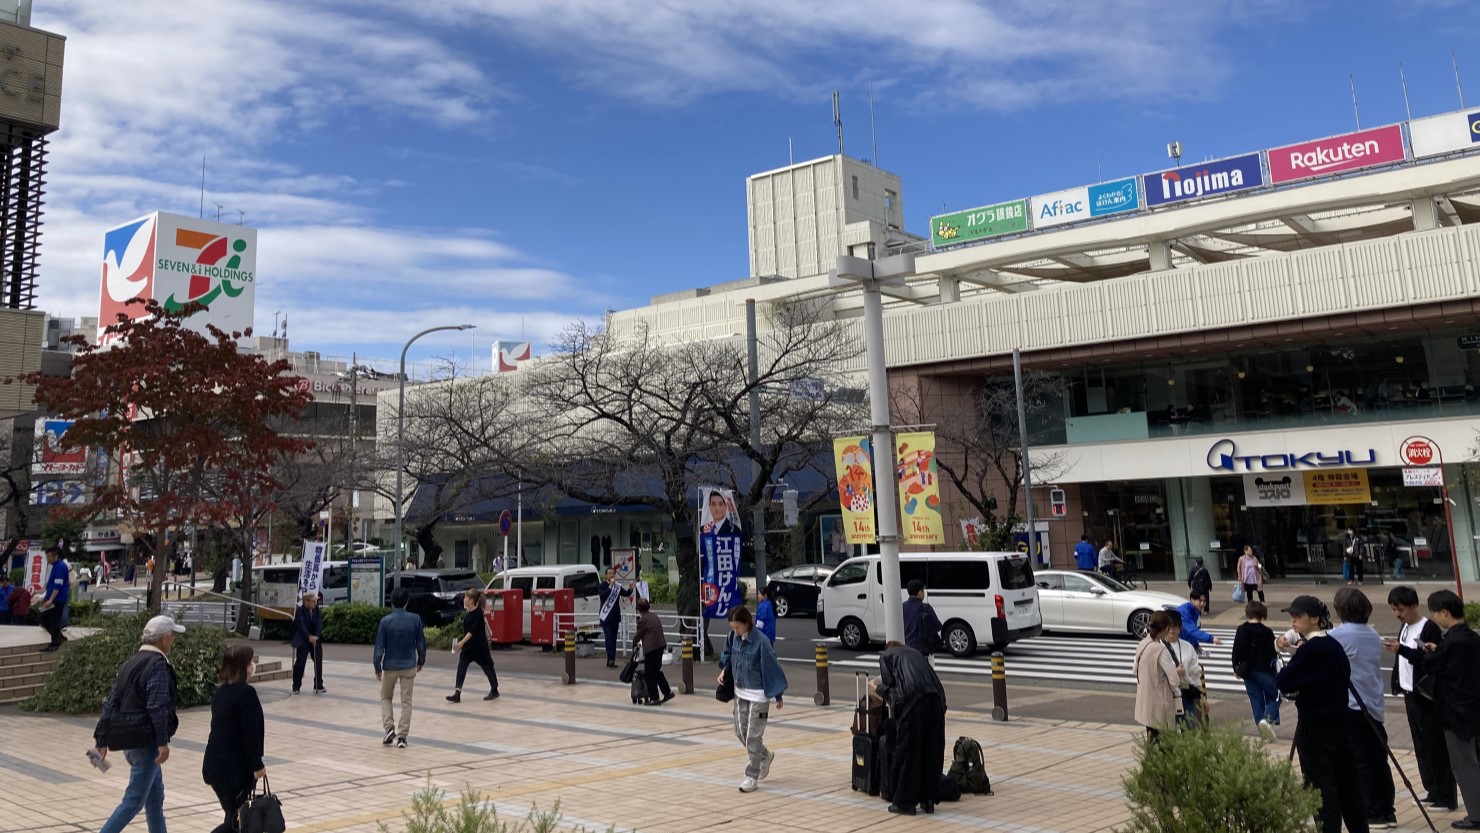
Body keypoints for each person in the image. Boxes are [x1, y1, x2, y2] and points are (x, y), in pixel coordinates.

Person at [1276, 596, 1369, 833]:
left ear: (1315, 619)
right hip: (1340, 722)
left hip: (1314, 726)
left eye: (1298, 617)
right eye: (1291, 617)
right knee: (1349, 786)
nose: (1293, 622)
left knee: (1321, 790)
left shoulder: (1312, 650)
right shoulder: (1333, 646)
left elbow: (1284, 681)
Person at [94, 615, 187, 833]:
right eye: (172, 635)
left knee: (155, 799)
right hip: (147, 743)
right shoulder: (158, 665)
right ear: (164, 639)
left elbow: (111, 702)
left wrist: (101, 739)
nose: (173, 640)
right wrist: (163, 742)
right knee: (134, 801)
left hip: (130, 741)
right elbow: (157, 706)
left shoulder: (130, 663)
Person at [1398, 590, 1480, 830]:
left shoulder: (1452, 642)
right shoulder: (1471, 638)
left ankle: (1475, 815)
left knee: (1464, 766)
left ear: (1445, 612)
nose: (1434, 618)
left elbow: (1430, 664)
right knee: (1474, 763)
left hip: (1455, 715)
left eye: (1435, 613)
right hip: (1473, 711)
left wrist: (1425, 652)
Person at [1329, 587, 1396, 829]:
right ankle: (1388, 809)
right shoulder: (1371, 633)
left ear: (1341, 609)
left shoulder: (1339, 635)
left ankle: (1373, 810)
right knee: (1378, 759)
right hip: (1374, 705)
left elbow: (1317, 646)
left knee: (1359, 761)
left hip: (1351, 705)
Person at [1382, 585, 1454, 811]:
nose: (1397, 614)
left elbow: (1428, 660)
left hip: (1426, 695)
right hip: (1409, 693)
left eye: (1401, 609)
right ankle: (1432, 791)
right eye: (1394, 610)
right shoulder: (1405, 627)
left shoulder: (1428, 628)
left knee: (1435, 745)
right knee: (1421, 746)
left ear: (1414, 606)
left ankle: (1446, 795)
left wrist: (1401, 650)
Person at [718, 605, 787, 794]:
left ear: (747, 623)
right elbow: (727, 655)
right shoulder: (732, 637)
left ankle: (751, 775)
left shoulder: (761, 642)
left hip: (759, 695)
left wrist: (778, 694)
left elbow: (773, 667)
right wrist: (724, 670)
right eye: (732, 627)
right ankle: (765, 755)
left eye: (738, 627)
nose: (735, 631)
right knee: (740, 732)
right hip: (740, 691)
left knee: (753, 736)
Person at [873, 640, 946, 815]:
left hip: (912, 702)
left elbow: (890, 685)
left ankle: (904, 802)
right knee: (931, 751)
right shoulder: (917, 654)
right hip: (936, 698)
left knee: (909, 752)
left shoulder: (887, 656)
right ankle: (928, 800)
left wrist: (877, 689)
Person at [201, 644, 265, 833]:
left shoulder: (222, 693)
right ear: (243, 666)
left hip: (214, 765)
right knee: (236, 821)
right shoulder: (246, 694)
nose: (252, 665)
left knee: (235, 815)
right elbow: (249, 733)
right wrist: (257, 765)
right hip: (234, 769)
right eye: (250, 662)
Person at [373, 587, 426, 748]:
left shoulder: (385, 621)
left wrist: (377, 666)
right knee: (406, 702)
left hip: (389, 666)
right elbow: (421, 644)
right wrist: (421, 660)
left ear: (392, 602)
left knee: (385, 697)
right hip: (409, 664)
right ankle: (402, 737)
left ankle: (389, 727)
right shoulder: (415, 619)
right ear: (406, 602)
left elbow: (379, 647)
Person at [1232, 600, 1281, 740]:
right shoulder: (1267, 632)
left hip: (1247, 671)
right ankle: (1267, 719)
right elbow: (1272, 653)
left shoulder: (1241, 630)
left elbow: (1236, 651)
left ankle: (1263, 732)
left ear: (1247, 613)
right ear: (1262, 615)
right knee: (1274, 696)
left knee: (1256, 700)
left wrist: (1236, 667)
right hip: (1264, 670)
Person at [1133, 610, 1183, 741]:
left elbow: (1135, 670)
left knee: (1152, 738)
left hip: (1145, 701)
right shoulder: (1160, 650)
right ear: (1166, 628)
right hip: (1160, 703)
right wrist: (1176, 672)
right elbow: (1174, 680)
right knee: (1163, 742)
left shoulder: (1142, 644)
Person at [447, 588, 499, 702]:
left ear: (471, 600)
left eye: (466, 597)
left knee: (487, 666)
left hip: (479, 647)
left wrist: (461, 643)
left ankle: (494, 689)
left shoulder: (478, 613)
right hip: (469, 648)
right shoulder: (468, 613)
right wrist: (461, 642)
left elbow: (472, 631)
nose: (464, 599)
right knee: (461, 667)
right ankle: (457, 693)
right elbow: (467, 632)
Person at [1162, 608, 1206, 728]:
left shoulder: (1188, 647)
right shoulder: (1158, 647)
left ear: (1180, 627)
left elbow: (1195, 673)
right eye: (1169, 626)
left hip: (1186, 694)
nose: (1172, 629)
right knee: (1169, 730)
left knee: (1190, 728)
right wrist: (1174, 673)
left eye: (1175, 626)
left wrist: (1202, 697)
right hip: (1166, 695)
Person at [631, 598, 673, 706]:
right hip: (660, 645)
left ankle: (655, 698)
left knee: (650, 673)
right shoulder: (654, 615)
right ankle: (667, 692)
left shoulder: (642, 620)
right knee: (656, 671)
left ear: (639, 609)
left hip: (652, 648)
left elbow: (639, 634)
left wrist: (634, 641)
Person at [290, 590, 325, 695]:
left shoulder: (317, 610)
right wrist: (308, 636)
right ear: (306, 602)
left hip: (314, 638)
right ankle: (296, 686)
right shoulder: (300, 611)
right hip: (303, 638)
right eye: (313, 601)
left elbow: (319, 623)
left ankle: (318, 684)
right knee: (300, 661)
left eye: (315, 601)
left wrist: (316, 636)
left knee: (318, 659)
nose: (315, 603)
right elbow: (301, 626)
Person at [597, 567, 631, 668]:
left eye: (613, 573)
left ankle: (611, 660)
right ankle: (610, 658)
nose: (612, 575)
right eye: (610, 573)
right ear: (606, 575)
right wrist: (610, 586)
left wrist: (631, 588)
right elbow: (603, 596)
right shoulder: (602, 585)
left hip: (615, 616)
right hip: (605, 616)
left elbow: (626, 594)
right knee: (608, 637)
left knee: (613, 638)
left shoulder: (617, 586)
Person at [39, 545, 69, 651]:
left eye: (49, 556)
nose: (48, 559)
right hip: (53, 598)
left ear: (56, 556)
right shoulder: (55, 566)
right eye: (47, 557)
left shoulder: (60, 566)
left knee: (50, 619)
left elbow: (57, 585)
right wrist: (45, 597)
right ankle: (59, 637)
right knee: (46, 619)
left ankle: (55, 642)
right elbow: (51, 585)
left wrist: (50, 599)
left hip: (58, 599)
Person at [902, 579, 942, 655]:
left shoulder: (902, 607)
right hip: (921, 650)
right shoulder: (925, 607)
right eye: (923, 591)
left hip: (905, 648)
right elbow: (937, 626)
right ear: (920, 592)